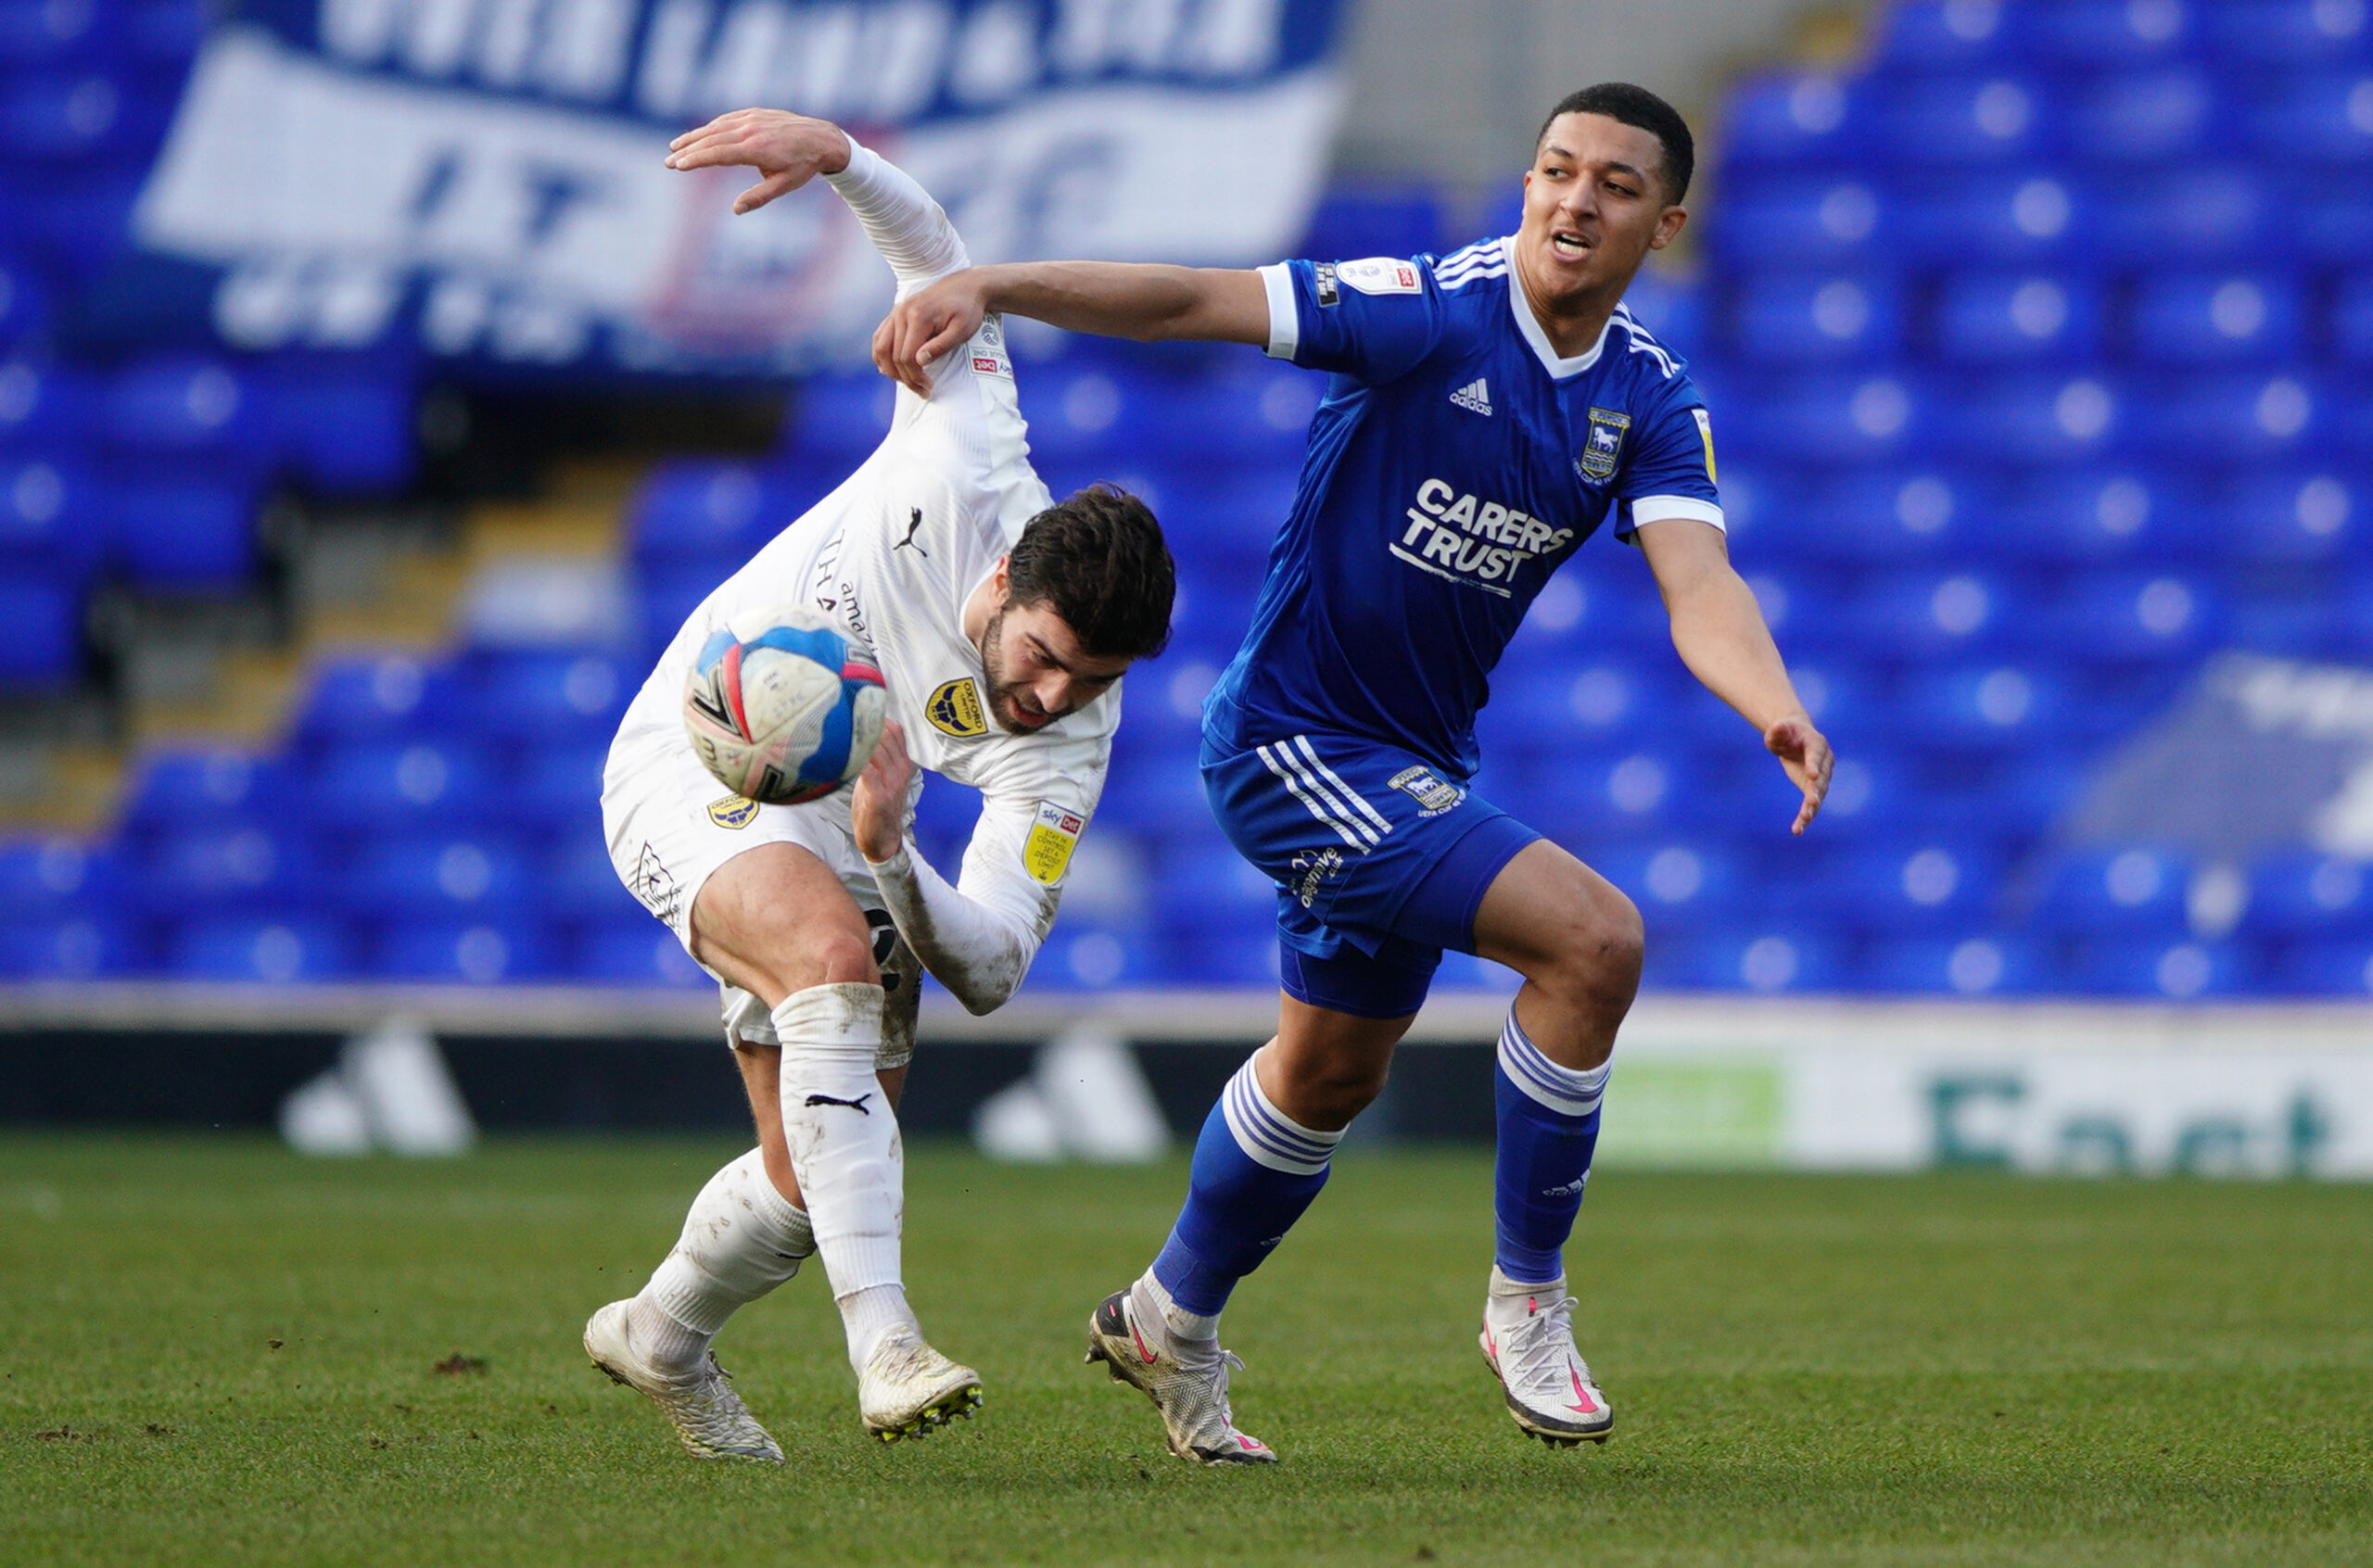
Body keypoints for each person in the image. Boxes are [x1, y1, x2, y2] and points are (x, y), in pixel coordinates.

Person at [873, 82, 1834, 1463]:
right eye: (1556, 169)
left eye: (1614, 186)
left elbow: (1702, 579)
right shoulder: (1424, 309)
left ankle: (1165, 1318)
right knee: (1595, 943)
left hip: (1414, 759)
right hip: (1294, 742)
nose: (1576, 201)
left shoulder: (1648, 395)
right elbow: (1191, 304)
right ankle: (1529, 1300)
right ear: (1527, 182)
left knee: (1327, 1073)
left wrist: (1774, 704)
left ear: (1664, 222)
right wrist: (996, 283)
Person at [585, 109, 1175, 1461]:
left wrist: (896, 855)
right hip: (696, 754)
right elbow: (935, 254)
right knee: (827, 963)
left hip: (861, 825)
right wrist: (839, 157)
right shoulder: (969, 455)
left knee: (807, 1186)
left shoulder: (1068, 742)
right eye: (1045, 662)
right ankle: (887, 1345)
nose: (1052, 699)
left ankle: (660, 1335)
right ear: (1010, 577)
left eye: (1091, 682)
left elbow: (996, 968)